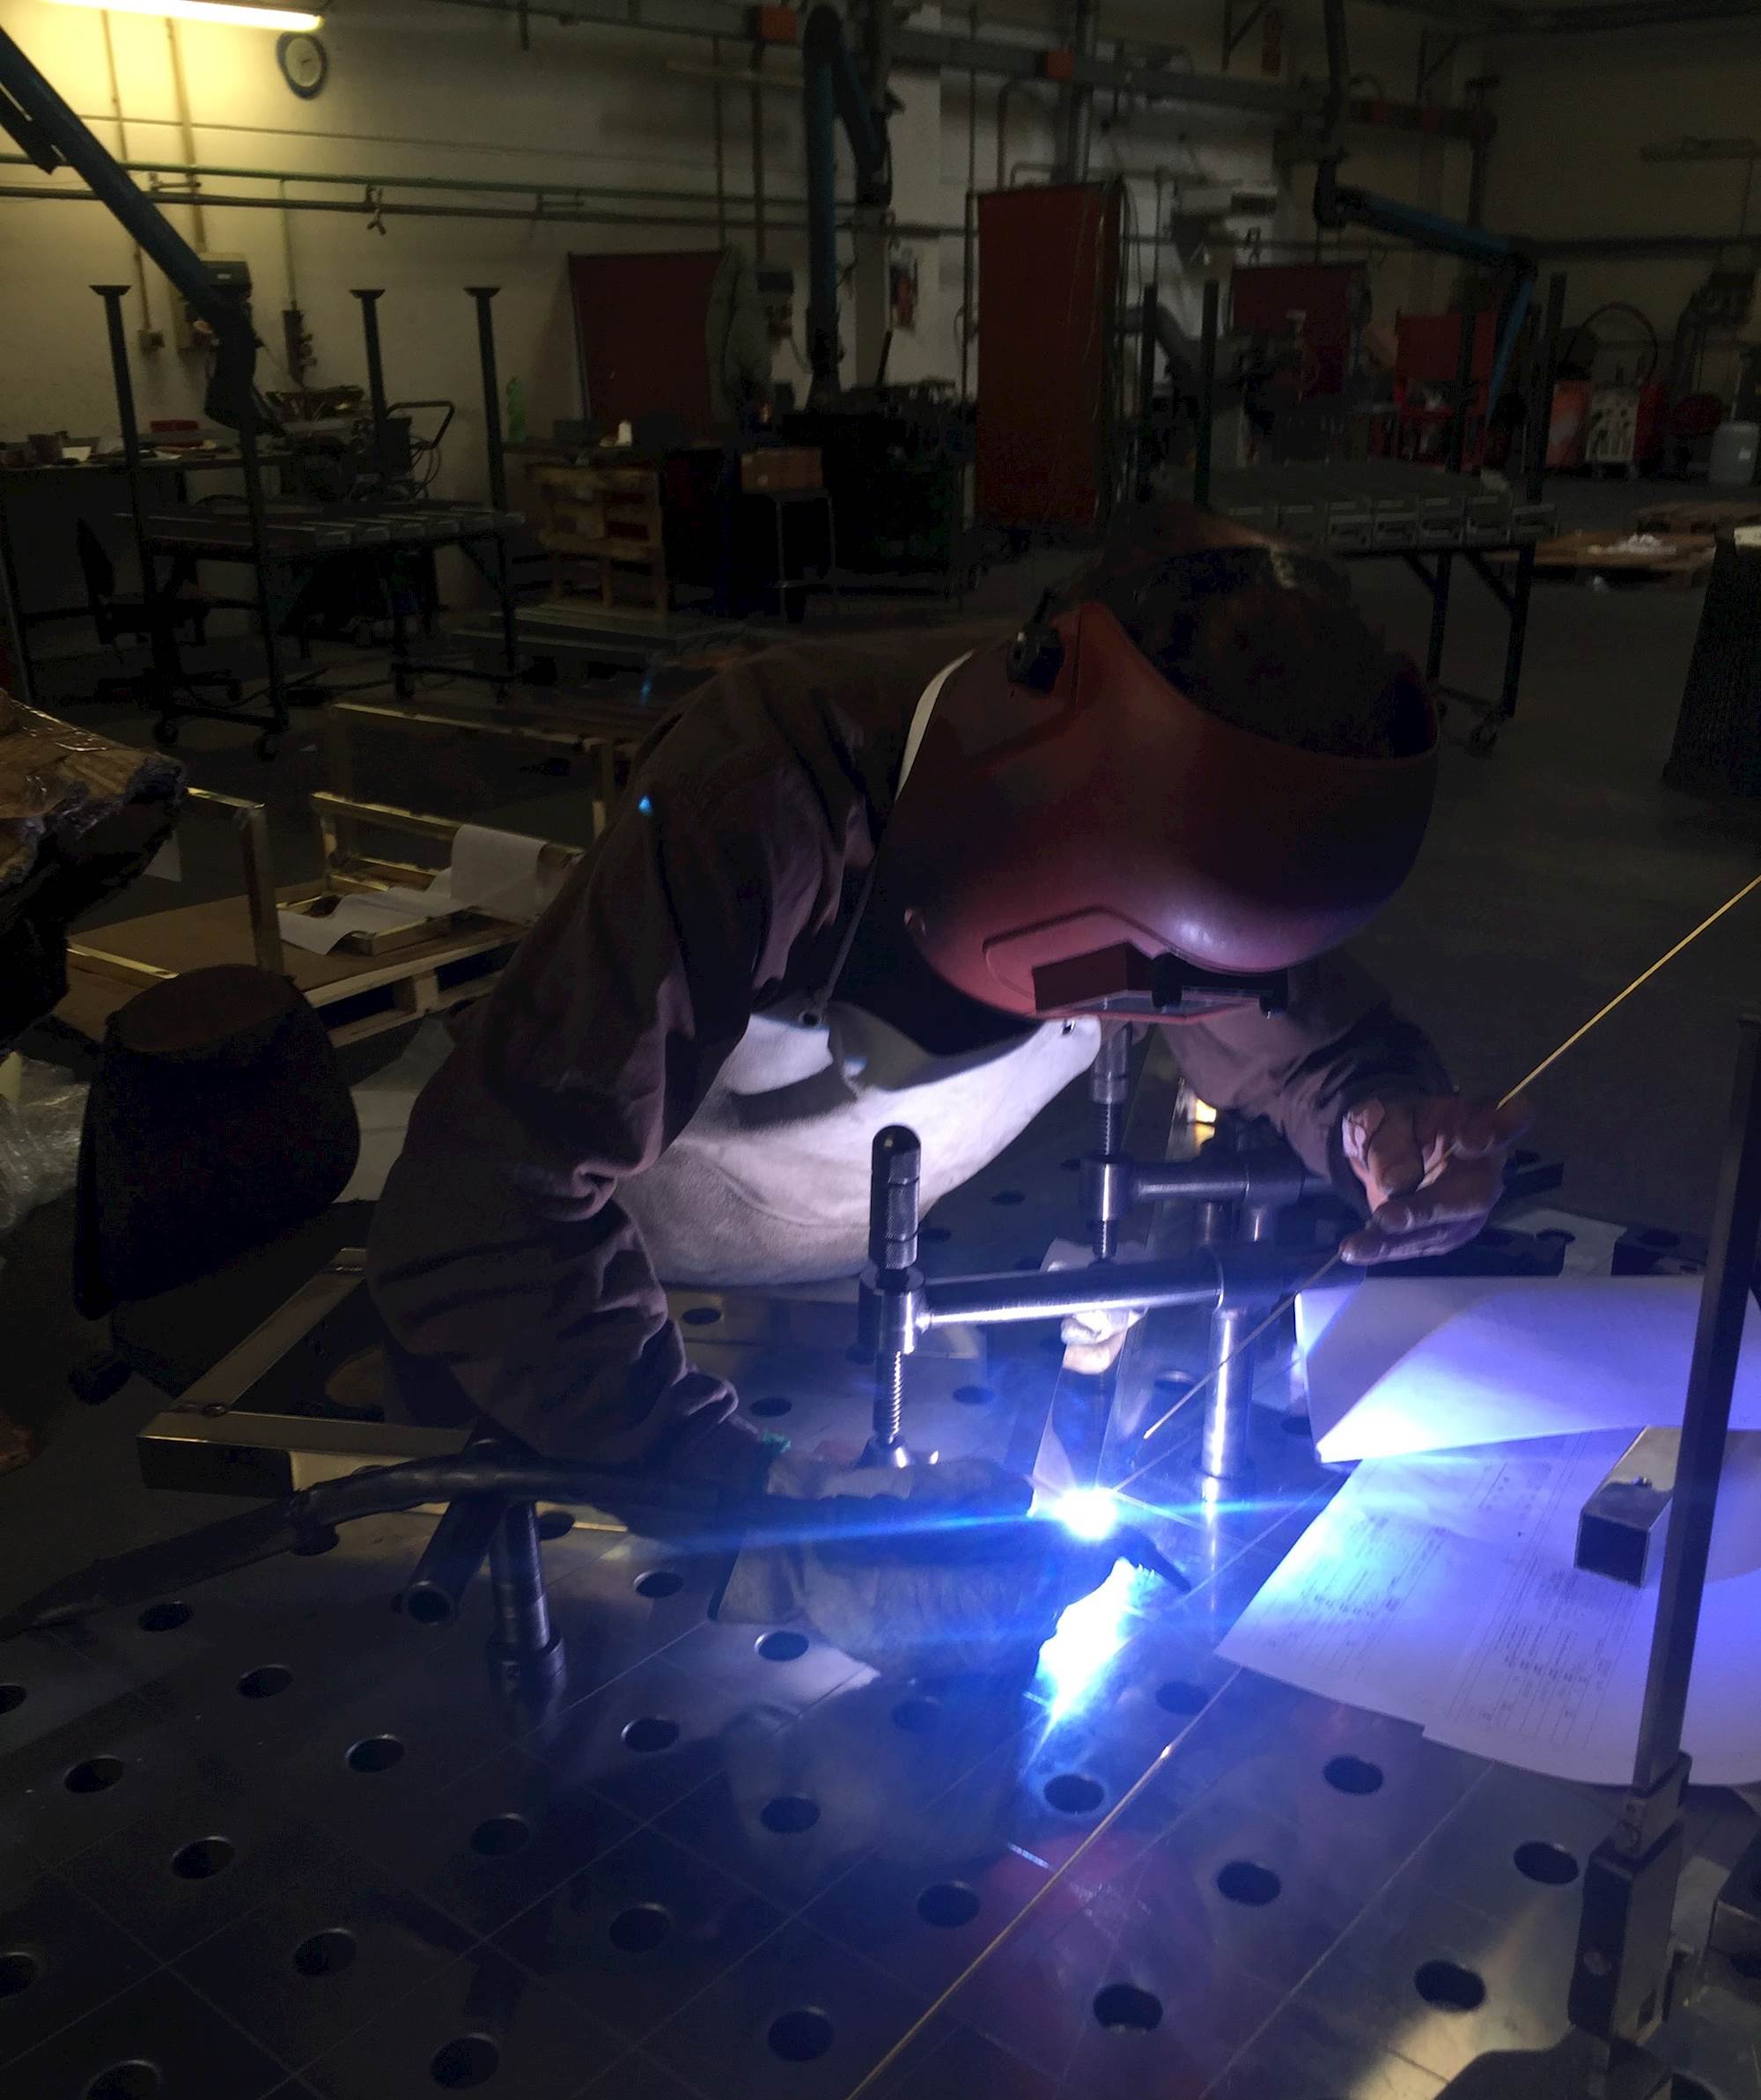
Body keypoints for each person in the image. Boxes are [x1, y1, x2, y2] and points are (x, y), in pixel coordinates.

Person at [366, 504, 1527, 1498]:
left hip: (889, 1300)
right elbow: (482, 1214)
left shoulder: (1194, 814)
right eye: (1140, 957)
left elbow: (1307, 1042)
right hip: (620, 1302)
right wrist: (738, 1492)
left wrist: (1381, 1124)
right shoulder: (767, 785)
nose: (1173, 998)